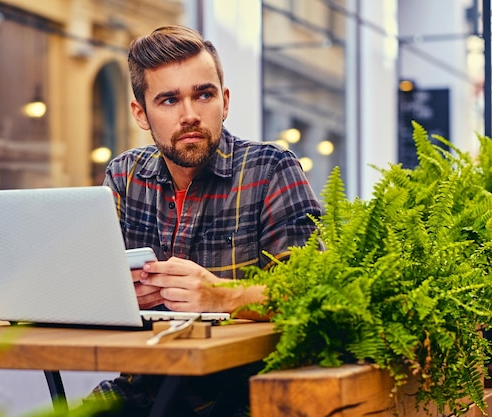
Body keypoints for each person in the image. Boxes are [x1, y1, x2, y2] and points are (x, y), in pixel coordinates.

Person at [90, 25, 322, 417]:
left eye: (204, 94)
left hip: (240, 396)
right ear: (140, 113)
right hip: (143, 387)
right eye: (168, 100)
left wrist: (223, 296)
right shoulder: (125, 175)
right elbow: (96, 288)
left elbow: (313, 296)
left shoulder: (270, 170)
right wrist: (116, 298)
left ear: (225, 101)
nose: (190, 115)